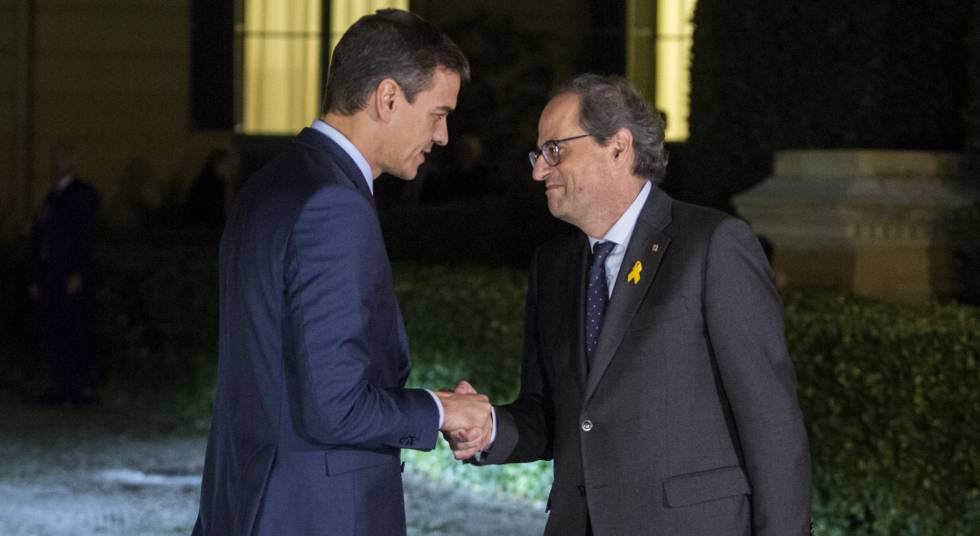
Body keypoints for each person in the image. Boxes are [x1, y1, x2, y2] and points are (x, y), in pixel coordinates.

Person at [449, 75, 811, 535]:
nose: (539, 170)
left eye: (555, 150)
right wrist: (490, 428)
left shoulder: (711, 245)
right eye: (537, 155)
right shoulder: (553, 267)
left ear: (618, 148)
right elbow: (554, 414)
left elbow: (770, 420)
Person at [192, 10, 490, 536]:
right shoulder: (334, 204)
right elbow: (336, 408)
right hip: (315, 512)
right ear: (389, 98)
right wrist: (440, 411)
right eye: (438, 113)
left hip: (245, 501)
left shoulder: (268, 186)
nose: (443, 136)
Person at [28, 143, 99, 405]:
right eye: (55, 158)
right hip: (50, 275)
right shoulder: (52, 196)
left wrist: (78, 272)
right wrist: (35, 276)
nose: (57, 163)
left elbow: (84, 237)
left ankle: (77, 388)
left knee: (74, 330)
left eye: (63, 158)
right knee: (55, 331)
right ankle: (60, 386)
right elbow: (40, 239)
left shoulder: (83, 194)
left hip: (68, 274)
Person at [181, 147, 235, 228]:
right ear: (217, 164)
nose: (229, 170)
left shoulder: (219, 183)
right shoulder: (207, 184)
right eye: (226, 165)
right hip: (203, 227)